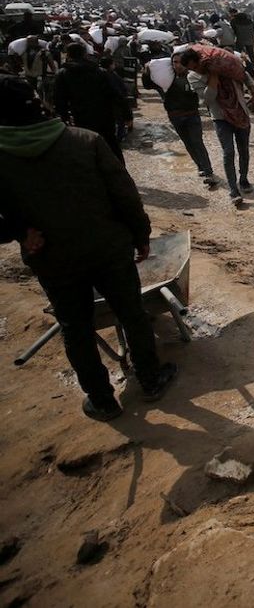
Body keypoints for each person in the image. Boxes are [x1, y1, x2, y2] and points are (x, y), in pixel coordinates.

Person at [0, 78, 177, 421]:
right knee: (131, 313)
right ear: (40, 104)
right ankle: (151, 379)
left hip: (52, 259)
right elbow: (125, 195)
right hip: (107, 249)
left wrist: (18, 231)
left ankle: (102, 400)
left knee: (75, 326)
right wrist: (141, 235)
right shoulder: (85, 141)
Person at [183, 48, 254, 207]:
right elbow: (208, 99)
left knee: (244, 149)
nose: (194, 70)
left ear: (200, 61)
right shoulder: (193, 77)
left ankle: (243, 179)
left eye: (194, 66)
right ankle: (233, 189)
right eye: (191, 68)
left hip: (240, 112)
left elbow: (244, 75)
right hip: (220, 118)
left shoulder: (224, 66)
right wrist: (214, 77)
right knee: (228, 152)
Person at [52, 42, 127, 163]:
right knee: (112, 146)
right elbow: (116, 95)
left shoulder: (63, 74)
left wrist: (64, 118)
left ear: (68, 55)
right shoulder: (100, 71)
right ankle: (120, 176)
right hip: (104, 117)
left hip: (81, 118)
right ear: (85, 54)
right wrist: (127, 115)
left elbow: (59, 100)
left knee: (86, 148)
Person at [157, 54, 217, 186]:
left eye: (180, 62)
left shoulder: (193, 77)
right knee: (188, 144)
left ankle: (208, 172)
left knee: (197, 142)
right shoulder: (166, 79)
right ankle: (200, 166)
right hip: (175, 117)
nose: (177, 65)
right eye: (174, 62)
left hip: (192, 115)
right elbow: (148, 83)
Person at [18, 35, 58, 101]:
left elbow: (52, 65)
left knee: (41, 92)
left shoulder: (44, 53)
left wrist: (55, 74)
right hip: (29, 76)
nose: (29, 43)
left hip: (40, 76)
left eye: (31, 41)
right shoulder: (24, 52)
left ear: (36, 42)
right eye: (28, 41)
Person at [230, 8, 254, 76]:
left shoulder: (234, 21)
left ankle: (238, 67)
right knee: (251, 55)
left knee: (237, 54)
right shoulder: (250, 21)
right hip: (250, 39)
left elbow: (233, 31)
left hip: (240, 40)